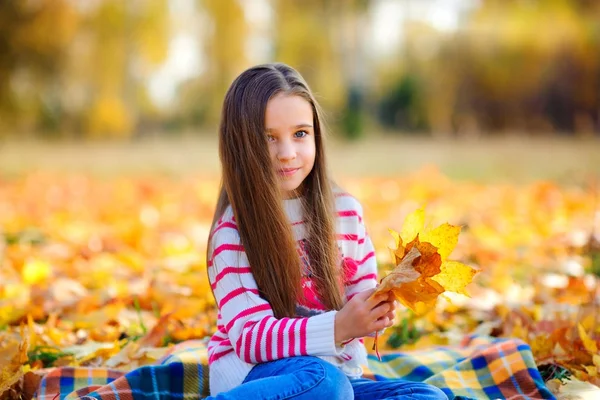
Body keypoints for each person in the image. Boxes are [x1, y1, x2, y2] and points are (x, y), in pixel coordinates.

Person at [205, 63, 447, 399]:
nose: (287, 153)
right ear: (240, 145)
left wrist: (375, 308)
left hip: (339, 379)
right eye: (268, 138)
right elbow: (249, 339)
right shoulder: (233, 232)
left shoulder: (345, 212)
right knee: (324, 383)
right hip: (257, 379)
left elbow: (360, 302)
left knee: (428, 397)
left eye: (300, 134)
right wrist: (339, 326)